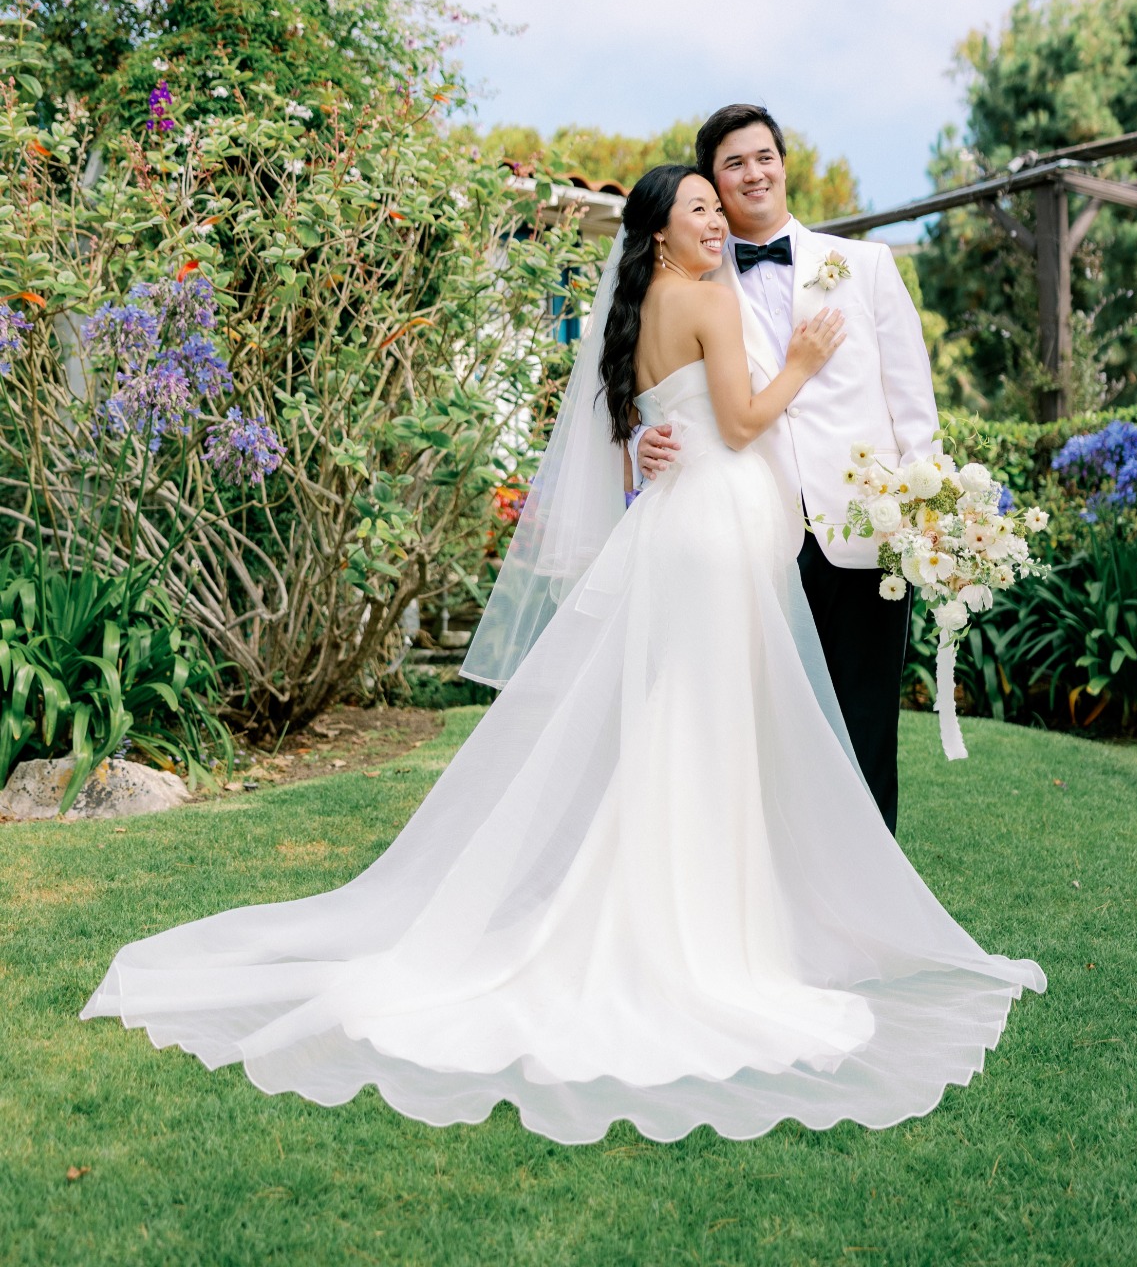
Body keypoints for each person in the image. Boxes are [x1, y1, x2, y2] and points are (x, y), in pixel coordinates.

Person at [83, 164, 1044, 1144]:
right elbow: (748, 419)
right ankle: (689, 938)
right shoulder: (704, 298)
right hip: (710, 542)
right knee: (702, 732)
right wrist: (800, 360)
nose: (720, 219)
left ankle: (694, 917)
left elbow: (644, 427)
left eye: (722, 206)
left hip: (687, 531)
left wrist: (656, 447)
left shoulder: (641, 308)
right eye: (702, 209)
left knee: (681, 727)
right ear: (664, 234)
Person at [632, 106, 937, 833]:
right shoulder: (694, 281)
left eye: (763, 156)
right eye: (733, 164)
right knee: (761, 738)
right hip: (750, 537)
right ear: (713, 182)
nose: (753, 173)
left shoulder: (865, 266)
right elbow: (656, 385)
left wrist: (925, 512)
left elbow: (912, 401)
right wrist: (639, 443)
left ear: (784, 164)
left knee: (865, 732)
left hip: (866, 532)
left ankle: (871, 916)